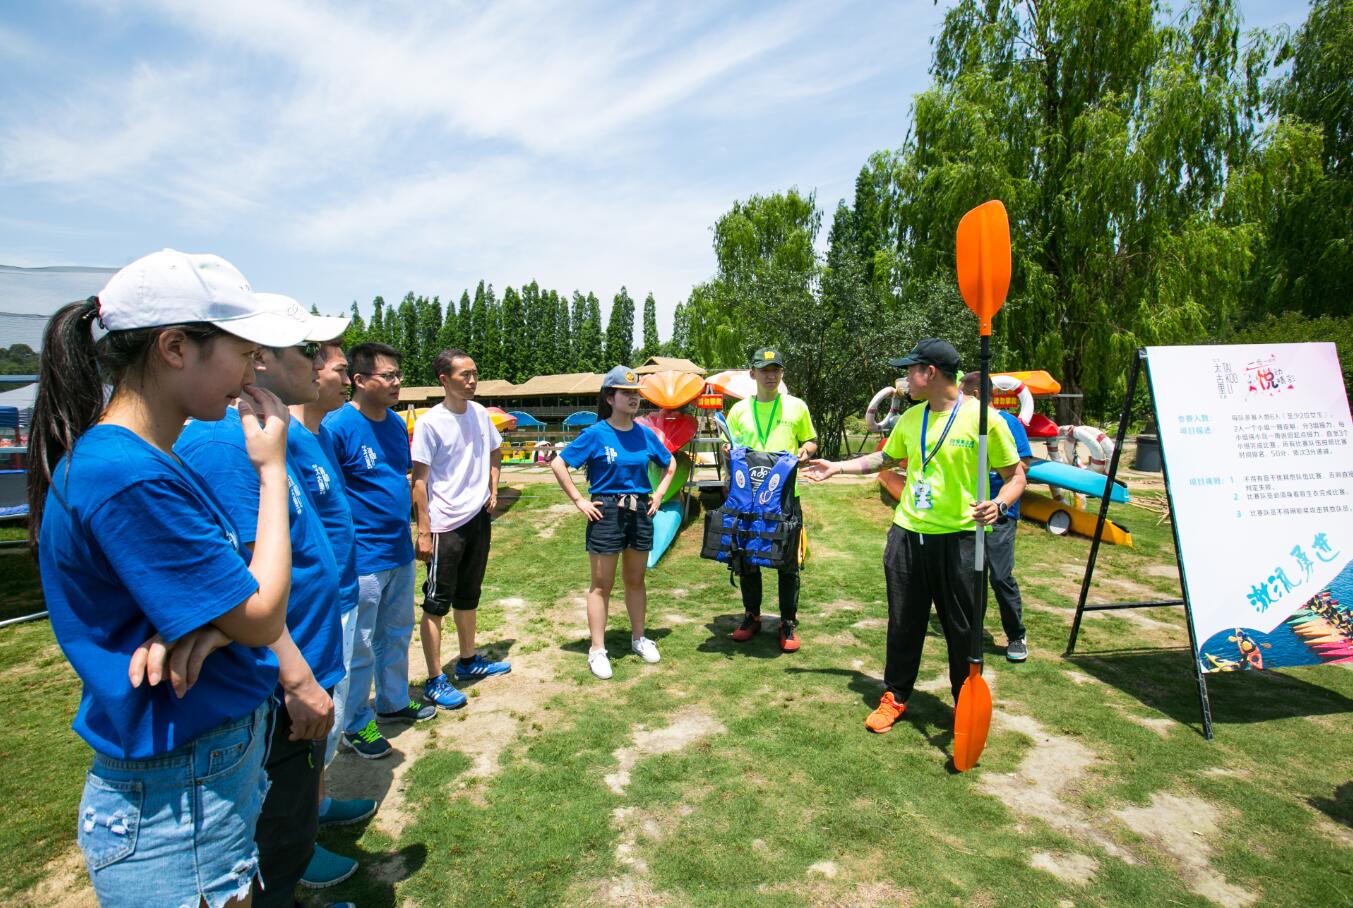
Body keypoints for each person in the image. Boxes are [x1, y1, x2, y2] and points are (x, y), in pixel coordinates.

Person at [26, 249, 302, 906]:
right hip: (178, 797)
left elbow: (232, 596)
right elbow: (261, 612)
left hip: (196, 777)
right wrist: (270, 470)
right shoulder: (126, 473)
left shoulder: (142, 457)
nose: (253, 368)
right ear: (175, 346)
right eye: (242, 349)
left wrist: (218, 626)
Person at [175, 295, 349, 902]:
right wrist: (297, 679)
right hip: (279, 677)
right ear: (262, 362)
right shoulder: (226, 443)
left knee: (292, 817)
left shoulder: (263, 434)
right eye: (306, 349)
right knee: (273, 837)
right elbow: (242, 579)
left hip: (304, 658)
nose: (321, 361)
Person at [803, 338, 1026, 733]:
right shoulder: (912, 418)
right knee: (904, 621)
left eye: (911, 370)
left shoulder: (984, 420)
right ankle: (896, 695)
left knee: (962, 628)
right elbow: (885, 459)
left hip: (959, 540)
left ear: (931, 373)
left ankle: (965, 700)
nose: (906, 377)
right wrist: (837, 467)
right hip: (907, 536)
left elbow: (1016, 476)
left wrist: (1000, 504)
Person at [288, 337, 381, 857]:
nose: (347, 380)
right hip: (313, 607)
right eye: (341, 370)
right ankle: (298, 844)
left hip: (339, 595)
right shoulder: (285, 439)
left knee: (334, 710)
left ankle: (318, 806)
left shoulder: (315, 437)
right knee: (311, 720)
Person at [324, 342, 437, 759]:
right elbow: (331, 497)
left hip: (397, 549)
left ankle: (392, 700)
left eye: (397, 375)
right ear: (358, 380)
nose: (397, 382)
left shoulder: (392, 424)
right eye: (387, 376)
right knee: (359, 643)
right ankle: (354, 722)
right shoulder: (337, 427)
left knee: (396, 632)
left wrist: (420, 531)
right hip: (362, 557)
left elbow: (404, 479)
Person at [550, 366, 676, 679]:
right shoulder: (594, 434)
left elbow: (669, 463)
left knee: (635, 580)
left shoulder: (644, 434)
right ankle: (597, 650)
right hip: (606, 511)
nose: (634, 399)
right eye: (626, 393)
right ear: (610, 397)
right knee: (601, 585)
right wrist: (580, 500)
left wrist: (659, 494)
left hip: (640, 511)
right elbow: (558, 463)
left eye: (636, 394)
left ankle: (639, 639)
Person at [411, 348, 510, 710]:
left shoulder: (481, 414)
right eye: (464, 375)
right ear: (444, 380)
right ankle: (435, 679)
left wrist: (493, 487)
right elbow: (419, 482)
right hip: (444, 525)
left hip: (477, 520)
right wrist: (424, 532)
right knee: (436, 603)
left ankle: (468, 661)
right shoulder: (429, 423)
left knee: (469, 595)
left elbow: (495, 453)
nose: (472, 380)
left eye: (474, 374)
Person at [722, 346, 817, 651]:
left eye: (776, 369)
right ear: (752, 374)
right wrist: (727, 453)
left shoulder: (797, 407)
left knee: (787, 561)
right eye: (764, 370)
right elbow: (729, 447)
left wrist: (806, 452)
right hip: (748, 499)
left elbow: (811, 441)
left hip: (786, 496)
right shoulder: (737, 411)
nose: (770, 375)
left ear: (782, 373)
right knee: (747, 557)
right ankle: (752, 616)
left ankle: (787, 622)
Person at [960, 371, 1033, 662]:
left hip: (1001, 515)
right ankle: (971, 632)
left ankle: (1016, 636)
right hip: (969, 515)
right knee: (970, 578)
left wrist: (998, 496)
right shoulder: (961, 423)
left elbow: (1023, 466)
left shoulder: (1008, 422)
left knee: (1000, 576)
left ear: (977, 395)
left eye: (964, 394)